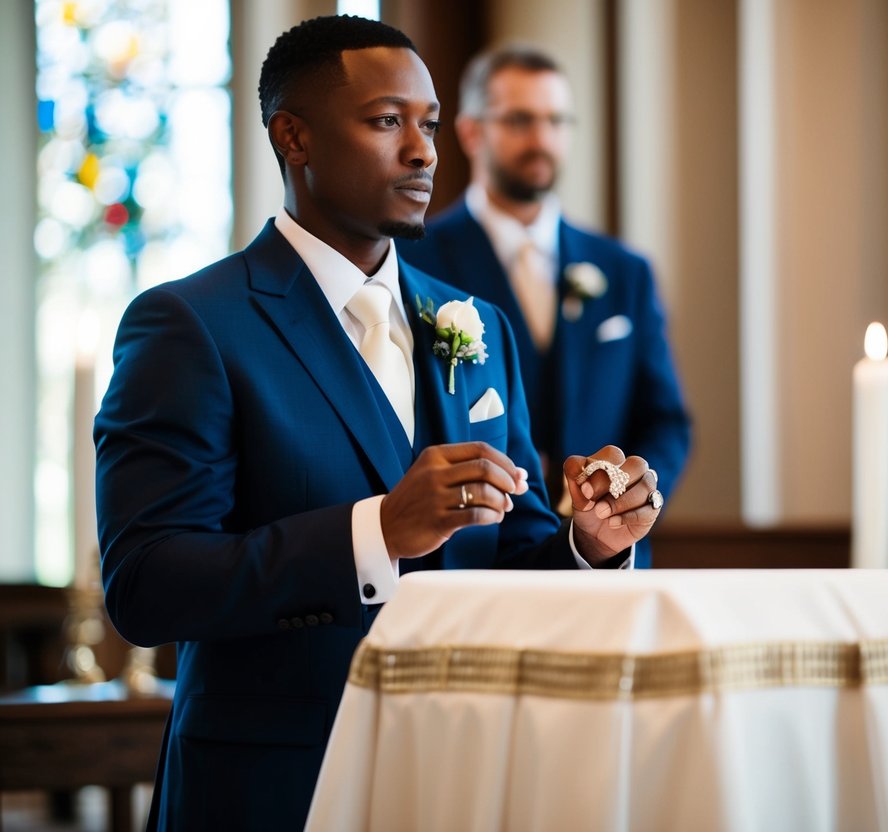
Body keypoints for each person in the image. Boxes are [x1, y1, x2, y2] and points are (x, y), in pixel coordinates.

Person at [94, 16, 661, 832]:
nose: (425, 153)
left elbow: (515, 555)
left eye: (428, 125)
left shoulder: (477, 324)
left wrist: (590, 545)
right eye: (387, 121)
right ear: (294, 136)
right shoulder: (192, 325)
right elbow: (147, 587)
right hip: (277, 789)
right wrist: (378, 532)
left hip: (467, 779)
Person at [398, 45, 690, 568]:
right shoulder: (416, 262)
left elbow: (665, 419)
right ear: (470, 132)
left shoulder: (624, 271)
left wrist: (628, 496)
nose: (542, 139)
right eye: (520, 120)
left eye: (557, 121)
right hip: (479, 558)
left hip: (610, 560)